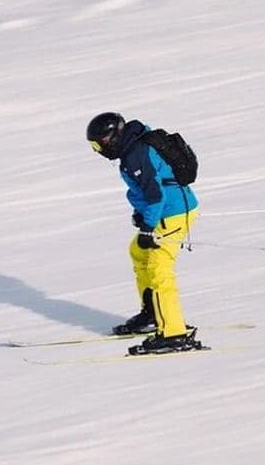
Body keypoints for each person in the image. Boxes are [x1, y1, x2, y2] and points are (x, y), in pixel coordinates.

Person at [86, 112, 203, 355]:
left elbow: (155, 194)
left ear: (114, 137)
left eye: (100, 144)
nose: (99, 151)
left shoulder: (138, 153)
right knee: (139, 251)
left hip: (172, 213)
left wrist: (148, 226)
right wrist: (143, 216)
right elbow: (147, 192)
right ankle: (152, 313)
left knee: (159, 267)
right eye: (94, 146)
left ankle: (173, 333)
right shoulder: (132, 150)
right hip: (166, 211)